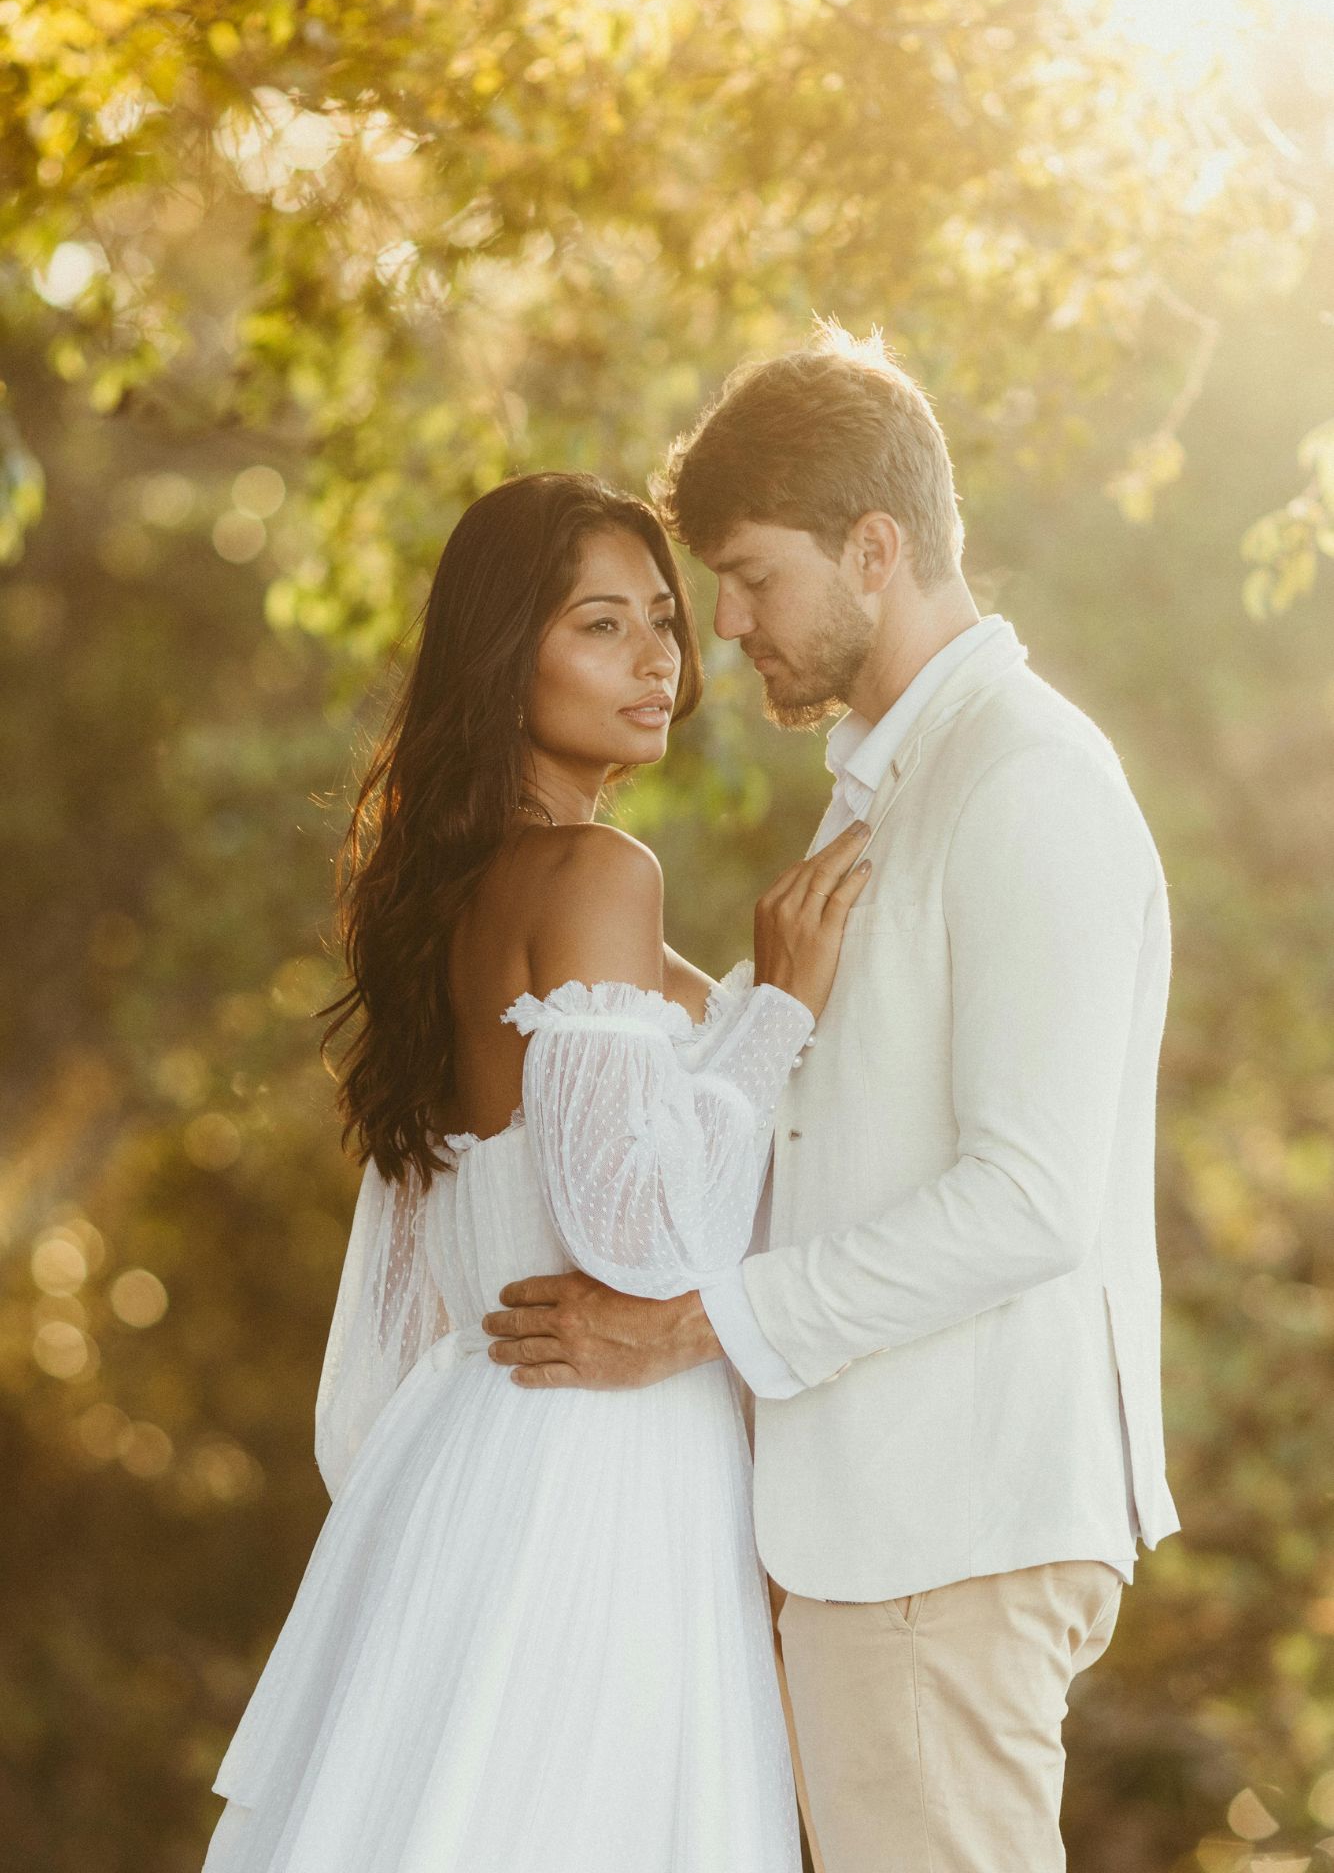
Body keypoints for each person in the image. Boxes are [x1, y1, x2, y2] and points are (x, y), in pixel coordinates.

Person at [483, 330, 1182, 1873]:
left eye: (748, 578)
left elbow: (1028, 1201)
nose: (721, 629)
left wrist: (686, 1327)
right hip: (869, 1530)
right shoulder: (895, 783)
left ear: (874, 549)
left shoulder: (1025, 780)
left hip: (945, 1525)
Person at [199, 469, 869, 1873]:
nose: (657, 659)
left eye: (665, 623)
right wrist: (784, 1016)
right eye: (600, 625)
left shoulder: (443, 895)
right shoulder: (594, 874)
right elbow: (631, 1233)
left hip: (476, 1458)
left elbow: (399, 1316)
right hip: (595, 1465)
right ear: (510, 654)